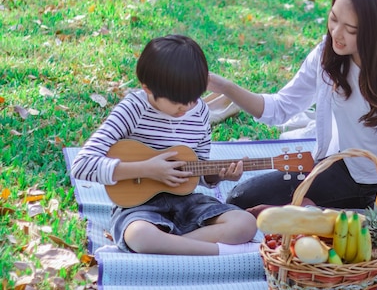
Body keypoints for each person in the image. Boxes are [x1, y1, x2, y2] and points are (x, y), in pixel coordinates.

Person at [207, 0, 377, 245]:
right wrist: (225, 86)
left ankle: (311, 216)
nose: (336, 34)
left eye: (351, 29)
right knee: (242, 198)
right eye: (334, 19)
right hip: (345, 170)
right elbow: (280, 107)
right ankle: (328, 219)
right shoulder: (328, 54)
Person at [71, 35, 258, 255]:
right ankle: (217, 251)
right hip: (138, 207)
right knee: (140, 235)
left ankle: (168, 245)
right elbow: (82, 165)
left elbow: (197, 169)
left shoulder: (199, 112)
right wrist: (147, 169)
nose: (187, 107)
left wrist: (218, 175)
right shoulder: (133, 109)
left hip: (186, 202)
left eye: (193, 98)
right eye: (177, 102)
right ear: (148, 88)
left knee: (246, 223)